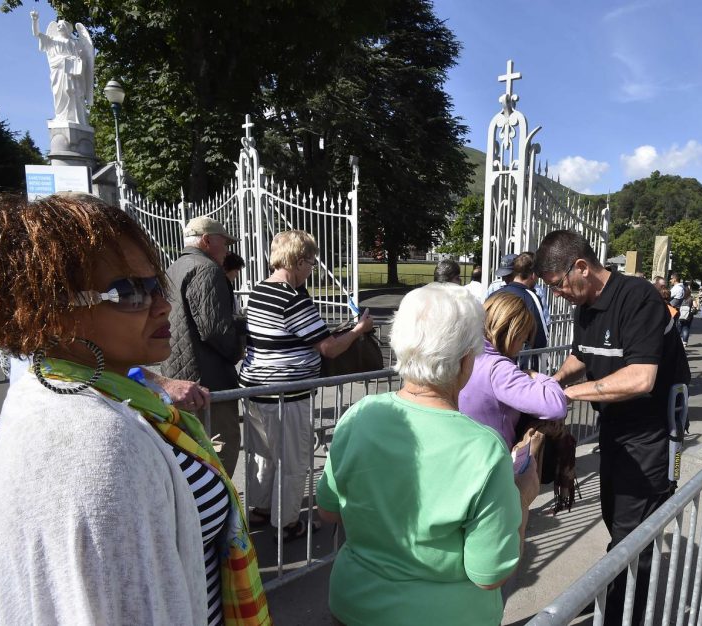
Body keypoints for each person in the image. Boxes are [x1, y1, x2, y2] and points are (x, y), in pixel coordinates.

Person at [0, 193, 270, 625]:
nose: (164, 305)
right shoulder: (93, 441)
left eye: (157, 285)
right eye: (130, 292)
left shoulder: (78, 393)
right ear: (49, 311)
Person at [316, 283, 540, 626]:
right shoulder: (483, 450)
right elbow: (490, 573)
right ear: (466, 361)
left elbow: (329, 511)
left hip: (353, 605)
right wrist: (523, 495)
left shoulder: (357, 417)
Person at [535, 230, 688, 626]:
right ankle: (616, 595)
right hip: (615, 429)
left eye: (558, 285)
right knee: (617, 519)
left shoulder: (637, 298)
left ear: (581, 267)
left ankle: (625, 611)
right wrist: (553, 383)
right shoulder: (584, 304)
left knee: (633, 532)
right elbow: (582, 355)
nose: (558, 294)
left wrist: (568, 397)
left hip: (650, 435)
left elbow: (641, 378)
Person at [240, 230, 374, 541]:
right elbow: (329, 348)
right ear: (299, 261)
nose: (311, 270)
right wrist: (357, 330)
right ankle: (286, 523)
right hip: (286, 392)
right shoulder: (291, 299)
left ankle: (261, 507)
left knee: (263, 454)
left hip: (255, 387)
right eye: (311, 264)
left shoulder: (260, 290)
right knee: (293, 460)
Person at [163, 216, 245, 476]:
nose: (227, 250)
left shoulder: (175, 267)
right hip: (208, 383)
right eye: (225, 243)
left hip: (178, 379)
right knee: (218, 455)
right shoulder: (207, 269)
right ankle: (218, 515)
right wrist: (238, 344)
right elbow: (214, 330)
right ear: (207, 241)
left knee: (189, 459)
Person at [459, 292, 568, 448]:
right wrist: (535, 375)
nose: (522, 346)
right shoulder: (498, 369)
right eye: (524, 339)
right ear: (514, 333)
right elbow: (556, 406)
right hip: (495, 458)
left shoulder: (463, 354)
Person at [490, 252, 549, 361]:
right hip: (521, 365)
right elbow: (541, 339)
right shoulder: (532, 298)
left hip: (493, 361)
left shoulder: (494, 295)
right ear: (533, 275)